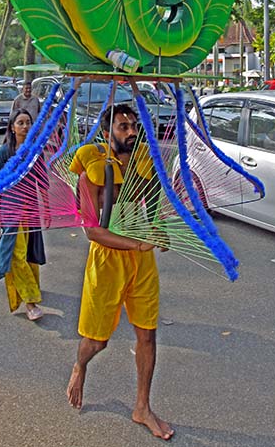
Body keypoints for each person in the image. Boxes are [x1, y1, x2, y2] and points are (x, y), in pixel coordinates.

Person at [67, 104, 174, 441]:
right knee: (96, 341)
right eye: (122, 127)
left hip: (142, 264)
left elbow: (153, 212)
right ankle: (80, 366)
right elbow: (92, 232)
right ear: (105, 133)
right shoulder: (91, 172)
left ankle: (142, 406)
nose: (130, 132)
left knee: (147, 335)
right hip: (107, 261)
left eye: (133, 125)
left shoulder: (146, 165)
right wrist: (136, 244)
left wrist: (159, 231)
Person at [0, 109, 46, 321]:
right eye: (20, 123)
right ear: (12, 127)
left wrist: (47, 210)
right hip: (9, 213)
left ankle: (31, 288)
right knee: (15, 255)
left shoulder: (35, 152)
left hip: (31, 211)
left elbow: (43, 182)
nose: (24, 126)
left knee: (30, 254)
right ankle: (31, 303)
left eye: (28, 122)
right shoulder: (4, 153)